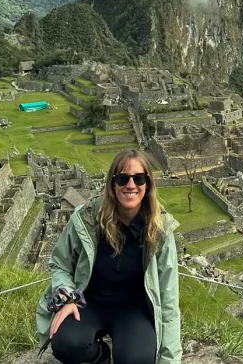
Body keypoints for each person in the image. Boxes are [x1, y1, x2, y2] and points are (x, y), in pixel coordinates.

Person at [36, 149, 181, 364]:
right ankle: (100, 357)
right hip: (88, 302)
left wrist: (169, 360)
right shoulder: (87, 219)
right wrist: (67, 299)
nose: (130, 185)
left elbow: (168, 299)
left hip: (134, 308)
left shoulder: (159, 231)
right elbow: (61, 264)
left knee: (136, 359)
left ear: (147, 184)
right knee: (67, 344)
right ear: (112, 184)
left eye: (138, 178)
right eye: (122, 178)